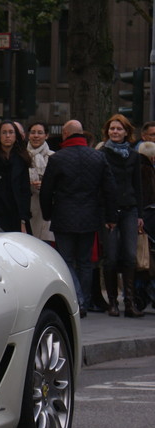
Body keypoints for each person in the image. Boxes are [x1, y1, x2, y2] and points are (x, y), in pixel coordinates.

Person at [39, 119, 118, 317]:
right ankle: (85, 301)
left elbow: (46, 190)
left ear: (66, 134)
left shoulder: (58, 158)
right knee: (85, 262)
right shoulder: (98, 157)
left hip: (64, 215)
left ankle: (78, 300)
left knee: (66, 260)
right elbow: (110, 189)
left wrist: (47, 213)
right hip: (90, 216)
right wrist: (110, 216)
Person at [98, 113, 146, 317]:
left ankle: (129, 302)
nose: (115, 132)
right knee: (110, 257)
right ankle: (112, 303)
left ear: (127, 132)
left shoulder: (134, 156)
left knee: (129, 255)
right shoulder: (101, 154)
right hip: (108, 211)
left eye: (118, 129)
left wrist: (140, 214)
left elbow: (138, 186)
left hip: (129, 209)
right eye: (112, 129)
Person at [27, 121, 55, 241]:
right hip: (27, 206)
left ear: (46, 135)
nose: (36, 136)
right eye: (33, 132)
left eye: (40, 133)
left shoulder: (53, 157)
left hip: (46, 208)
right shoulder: (22, 156)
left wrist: (46, 185)